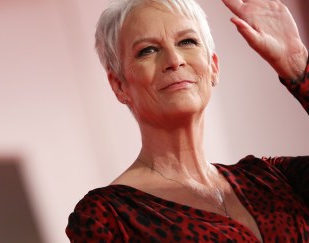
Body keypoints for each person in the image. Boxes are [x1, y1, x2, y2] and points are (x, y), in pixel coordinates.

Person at [66, 0, 309, 241]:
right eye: (148, 50)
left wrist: (298, 66)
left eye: (187, 41)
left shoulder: (275, 178)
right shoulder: (107, 217)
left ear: (213, 66)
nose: (174, 60)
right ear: (120, 85)